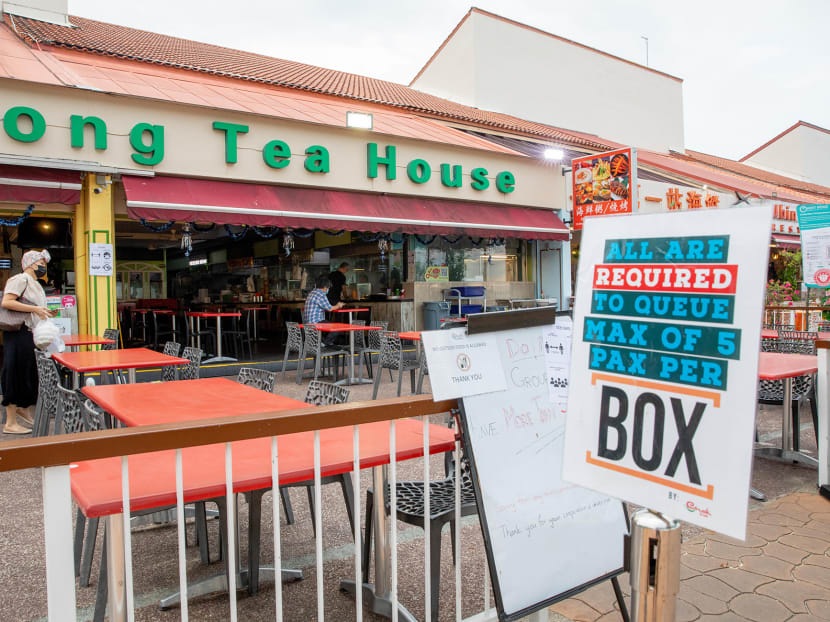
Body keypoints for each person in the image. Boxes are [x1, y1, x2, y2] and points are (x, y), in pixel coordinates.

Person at [1, 250, 55, 434]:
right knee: (14, 372)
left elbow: (34, 309)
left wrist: (45, 311)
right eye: (41, 262)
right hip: (18, 332)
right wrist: (35, 308)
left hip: (29, 333)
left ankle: (23, 410)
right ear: (31, 263)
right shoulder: (20, 279)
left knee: (28, 374)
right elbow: (7, 302)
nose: (43, 266)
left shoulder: (35, 284)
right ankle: (10, 422)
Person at [304, 274, 344, 345]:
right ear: (325, 287)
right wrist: (338, 305)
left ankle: (324, 341)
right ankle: (325, 343)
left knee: (329, 324)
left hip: (307, 322)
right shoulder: (321, 295)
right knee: (338, 328)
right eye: (328, 288)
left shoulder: (311, 293)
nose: (328, 289)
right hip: (316, 322)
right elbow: (330, 308)